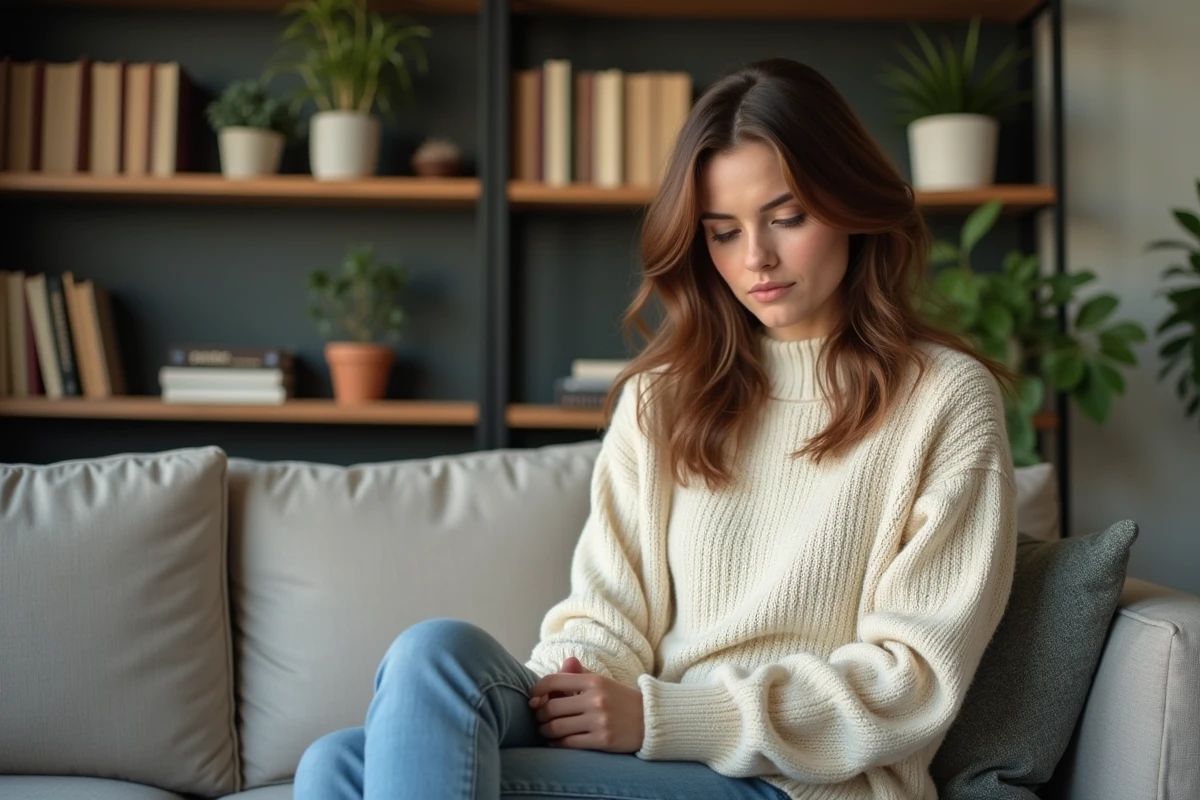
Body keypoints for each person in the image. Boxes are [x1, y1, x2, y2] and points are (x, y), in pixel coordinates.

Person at [294, 57, 1017, 800]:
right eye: (723, 232)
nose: (756, 258)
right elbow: (607, 621)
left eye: (787, 218)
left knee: (345, 775)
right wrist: (573, 690)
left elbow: (909, 682)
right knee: (410, 678)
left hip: (801, 784)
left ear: (850, 203)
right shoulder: (662, 398)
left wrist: (662, 717)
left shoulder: (945, 399)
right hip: (657, 754)